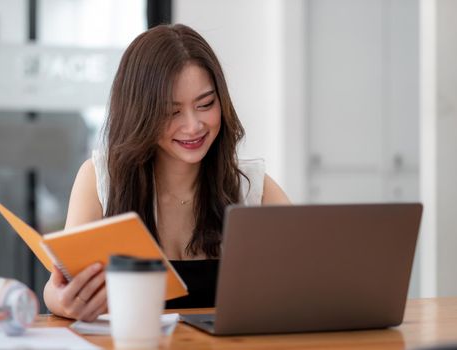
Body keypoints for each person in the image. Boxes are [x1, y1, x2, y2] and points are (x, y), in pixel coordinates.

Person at [43, 23, 290, 321]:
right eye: (172, 111)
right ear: (140, 113)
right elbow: (59, 285)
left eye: (206, 104)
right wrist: (61, 301)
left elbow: (314, 270)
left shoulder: (251, 188)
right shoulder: (101, 179)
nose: (193, 125)